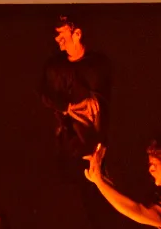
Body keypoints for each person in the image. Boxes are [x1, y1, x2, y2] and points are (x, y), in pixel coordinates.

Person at [40, 15, 111, 170]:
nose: (57, 38)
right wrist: (68, 107)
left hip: (95, 146)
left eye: (61, 33)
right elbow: (45, 96)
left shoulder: (98, 65)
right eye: (56, 34)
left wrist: (92, 103)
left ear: (77, 34)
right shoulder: (54, 67)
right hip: (66, 147)